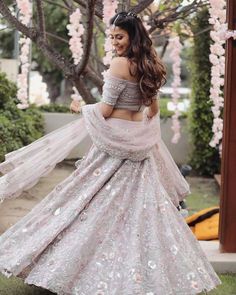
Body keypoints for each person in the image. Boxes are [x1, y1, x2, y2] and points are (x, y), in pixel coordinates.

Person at [0, 11, 221, 295]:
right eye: (113, 37)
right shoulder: (151, 65)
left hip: (114, 141)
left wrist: (81, 108)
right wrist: (138, 124)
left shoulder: (119, 64)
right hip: (138, 143)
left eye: (120, 36)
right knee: (140, 214)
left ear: (133, 36)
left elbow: (104, 110)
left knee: (85, 203)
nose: (115, 42)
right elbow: (151, 111)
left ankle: (68, 269)